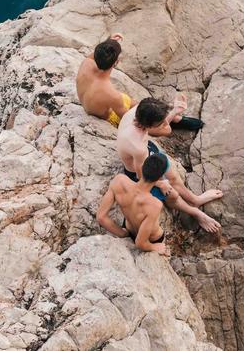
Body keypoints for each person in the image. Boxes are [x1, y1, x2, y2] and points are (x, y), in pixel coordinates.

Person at [116, 97, 222, 232]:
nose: (166, 123)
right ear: (148, 125)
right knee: (171, 194)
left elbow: (163, 129)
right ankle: (195, 213)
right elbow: (140, 175)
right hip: (140, 171)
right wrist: (160, 183)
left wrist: (175, 110)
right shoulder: (137, 146)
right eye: (161, 122)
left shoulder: (140, 111)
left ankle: (195, 200)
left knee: (173, 178)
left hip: (149, 151)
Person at [75, 34, 200, 130]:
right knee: (159, 128)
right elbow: (135, 121)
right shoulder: (112, 95)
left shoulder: (86, 63)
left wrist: (110, 42)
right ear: (116, 62)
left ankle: (175, 118)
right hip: (109, 115)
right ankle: (169, 119)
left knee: (136, 104)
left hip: (95, 103)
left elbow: (99, 53)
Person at [97, 154, 170, 254]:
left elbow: (101, 217)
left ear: (143, 167)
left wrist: (123, 234)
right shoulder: (154, 205)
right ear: (160, 177)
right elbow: (140, 243)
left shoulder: (119, 181)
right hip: (151, 239)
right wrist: (154, 247)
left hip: (128, 229)